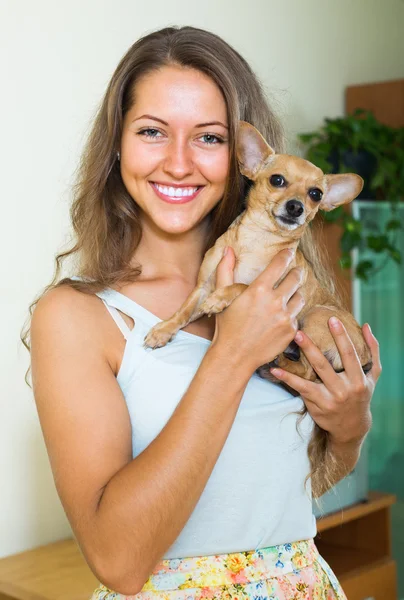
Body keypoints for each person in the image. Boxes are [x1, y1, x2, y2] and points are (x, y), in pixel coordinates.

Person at [25, 26, 381, 599]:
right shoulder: (78, 317)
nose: (179, 162)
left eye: (209, 138)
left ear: (240, 157)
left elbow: (278, 494)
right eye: (151, 132)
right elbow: (117, 561)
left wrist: (348, 430)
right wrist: (233, 352)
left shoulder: (290, 296)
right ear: (118, 145)